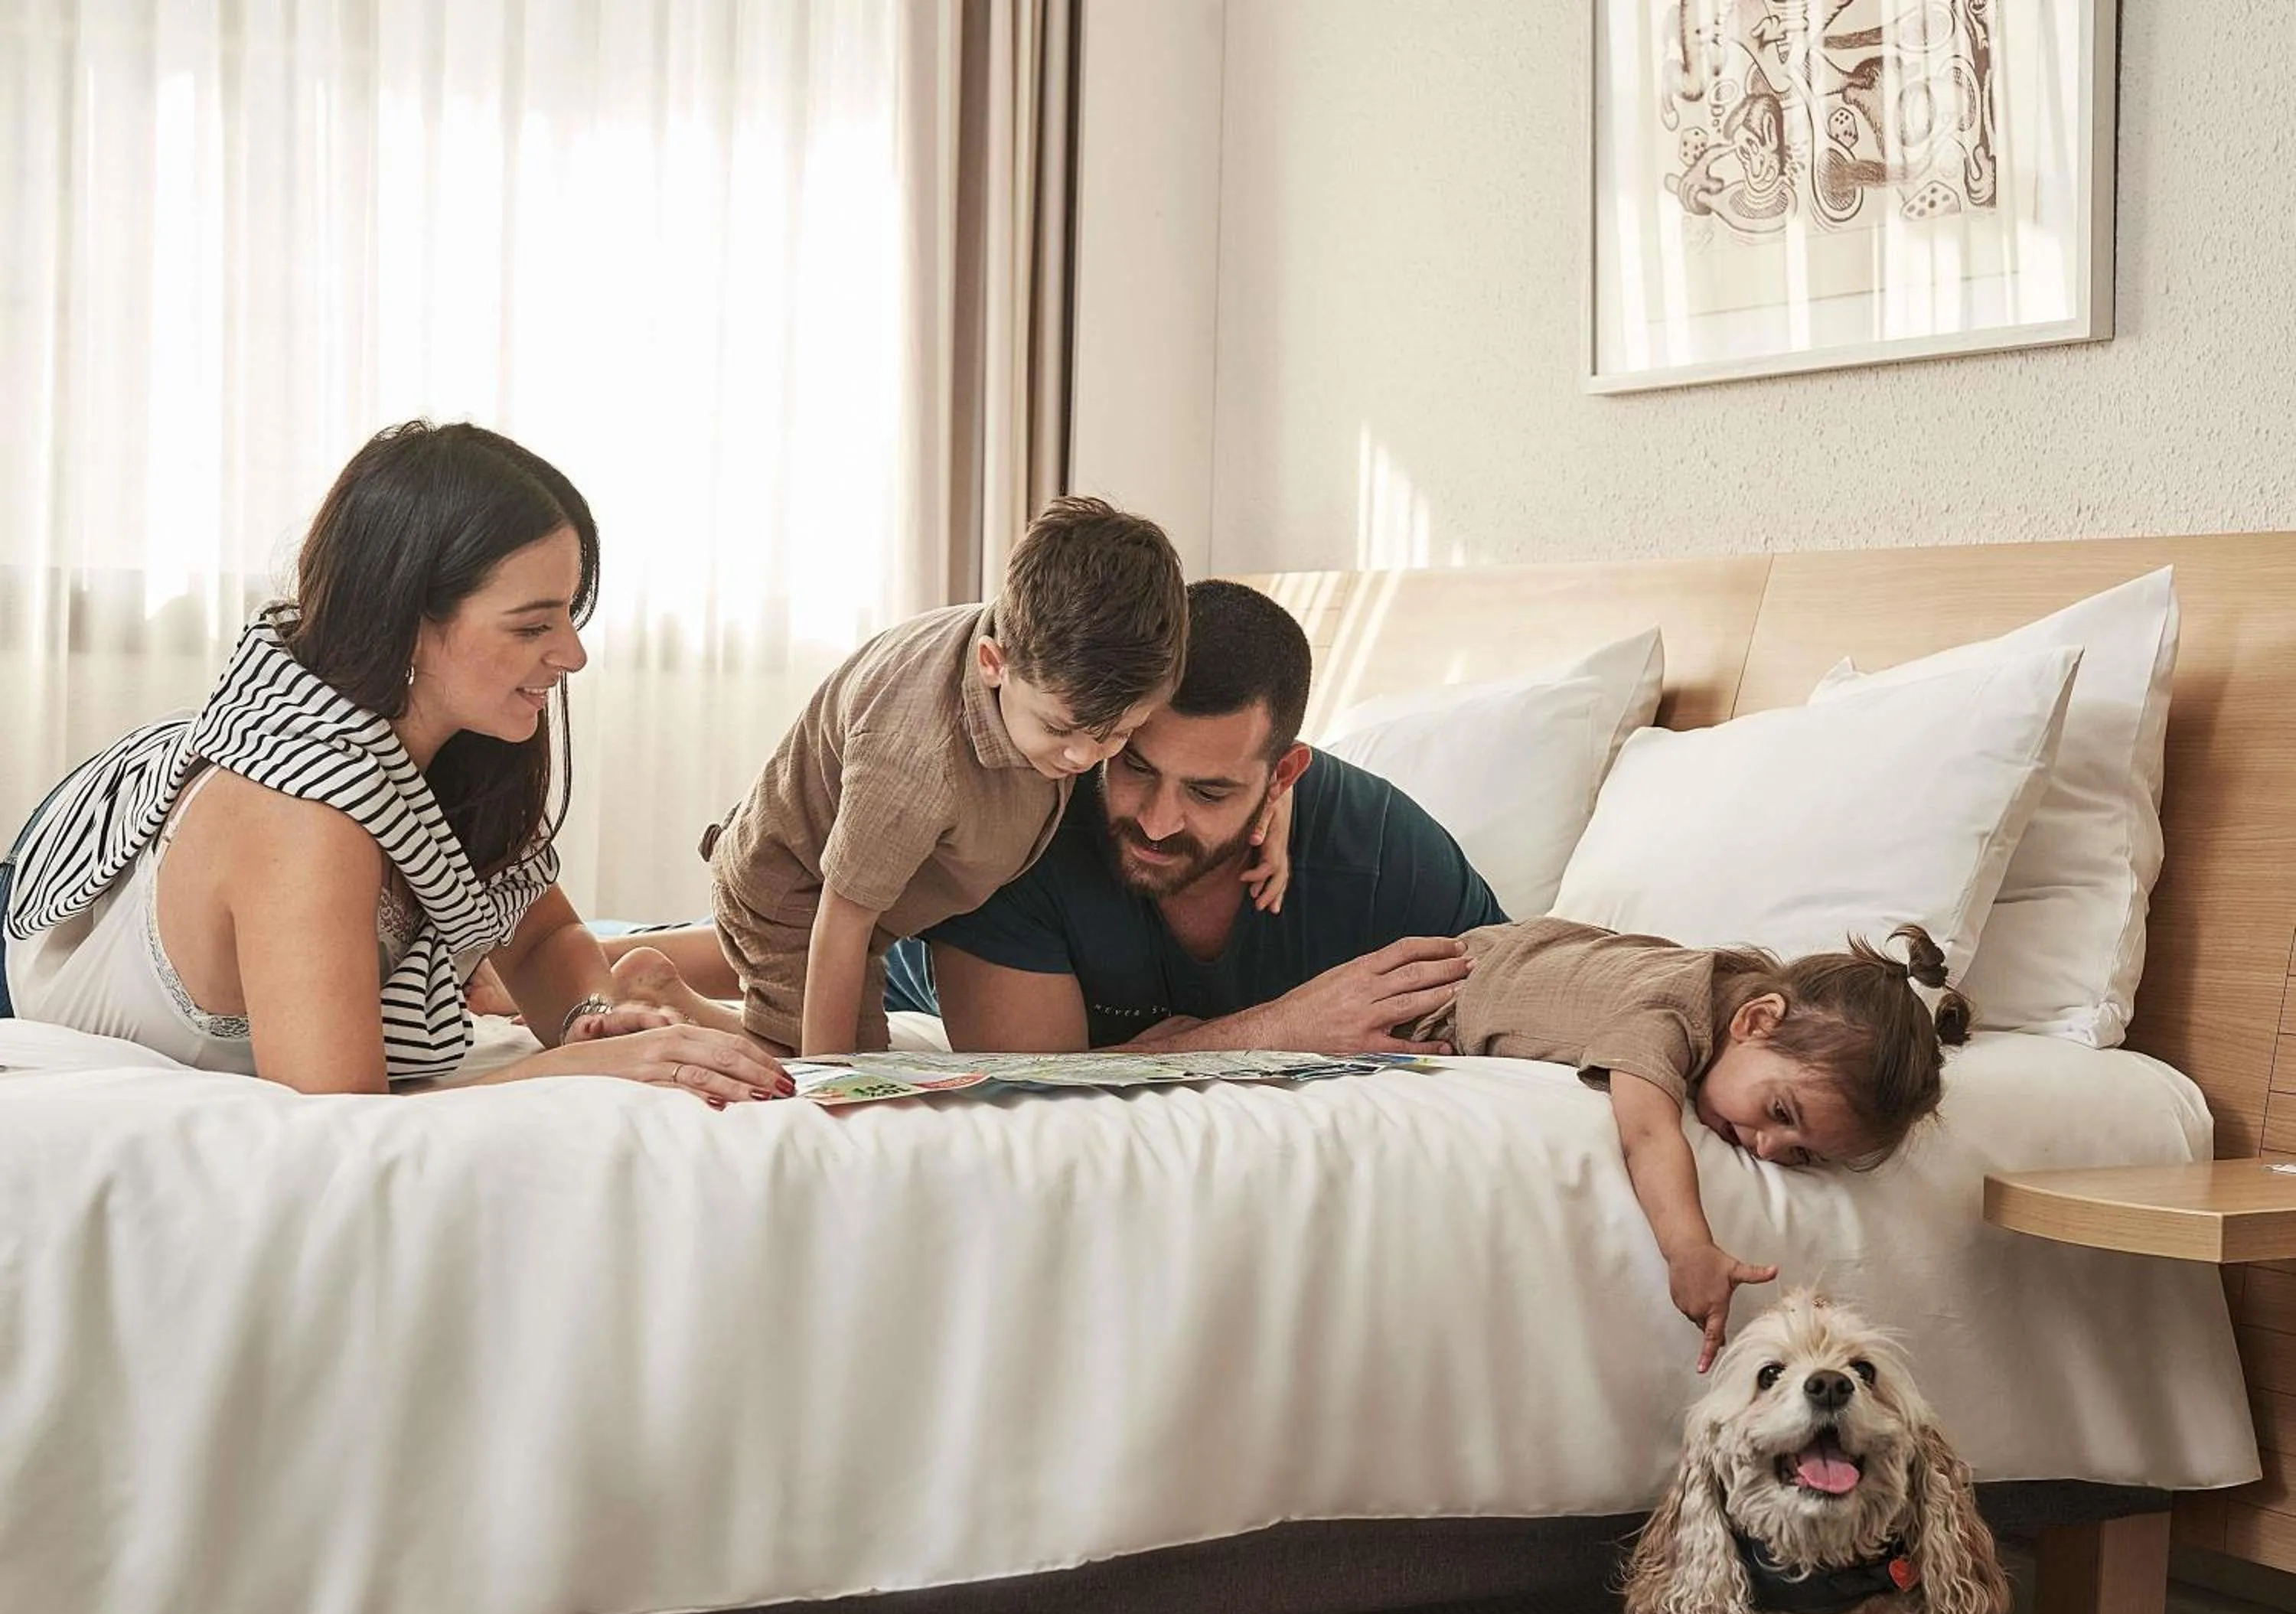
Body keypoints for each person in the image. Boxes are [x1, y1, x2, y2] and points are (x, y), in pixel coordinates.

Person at [1, 421, 789, 1106]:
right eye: (530, 627)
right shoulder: (299, 814)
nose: (573, 654)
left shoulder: (463, 751)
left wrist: (591, 1014)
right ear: (408, 622)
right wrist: (589, 1069)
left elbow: (543, 939)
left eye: (570, 616)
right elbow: (339, 1111)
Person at [885, 578, 1505, 1052]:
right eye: (1137, 767)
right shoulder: (1022, 824)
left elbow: (1522, 989)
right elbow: (1026, 1090)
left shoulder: (1378, 851)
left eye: (1209, 793)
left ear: (1282, 777)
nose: (1156, 823)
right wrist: (1275, 1028)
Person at [698, 496, 1207, 1057]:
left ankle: (653, 977)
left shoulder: (1067, 644)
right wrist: (832, 1089)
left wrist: (1273, 813)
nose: (1083, 758)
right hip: (799, 893)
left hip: (885, 899)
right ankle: (667, 1007)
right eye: (1060, 730)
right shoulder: (916, 764)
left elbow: (1226, 742)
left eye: (1118, 735)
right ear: (994, 663)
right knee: (838, 1065)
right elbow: (842, 922)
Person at [1411, 917, 1972, 1371]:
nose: (1769, 1148)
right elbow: (1648, 1131)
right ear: (1755, 1021)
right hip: (1443, 991)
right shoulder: (1670, 1014)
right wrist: (1689, 1248)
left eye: (1803, 1154)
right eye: (1780, 1112)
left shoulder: (1734, 989)